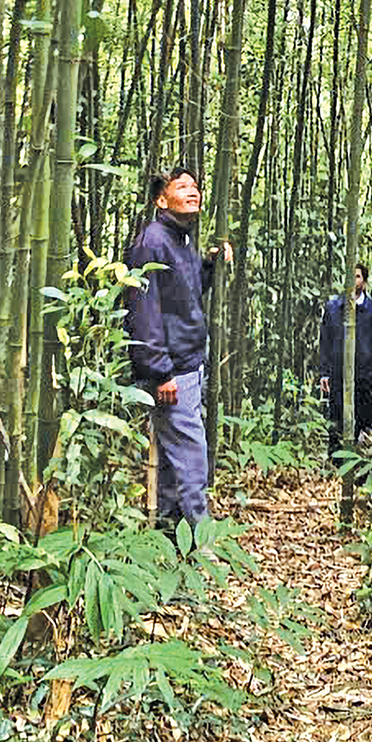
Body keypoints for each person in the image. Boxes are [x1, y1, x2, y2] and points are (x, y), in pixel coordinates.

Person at [124, 166, 232, 533]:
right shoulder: (151, 241)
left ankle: (171, 543)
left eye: (196, 186)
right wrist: (160, 372)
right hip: (172, 374)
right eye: (181, 185)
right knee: (191, 461)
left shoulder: (182, 241)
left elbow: (185, 295)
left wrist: (211, 264)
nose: (193, 191)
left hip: (188, 366)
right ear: (160, 199)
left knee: (174, 465)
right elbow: (144, 310)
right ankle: (201, 544)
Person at [318, 263, 372, 456]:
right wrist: (324, 372)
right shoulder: (333, 308)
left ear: (364, 282)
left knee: (364, 421)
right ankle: (335, 466)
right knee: (335, 420)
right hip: (338, 374)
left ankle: (361, 465)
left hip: (365, 376)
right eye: (350, 276)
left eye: (357, 276)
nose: (353, 280)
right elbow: (325, 341)